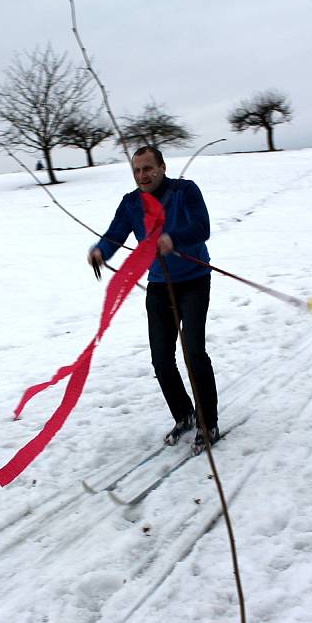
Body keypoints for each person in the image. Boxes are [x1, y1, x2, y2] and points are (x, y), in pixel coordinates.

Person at [88, 146, 218, 455]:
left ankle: (207, 422)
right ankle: (184, 414)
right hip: (160, 285)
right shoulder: (131, 203)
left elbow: (203, 227)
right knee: (161, 358)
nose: (143, 175)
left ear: (162, 166)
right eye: (137, 170)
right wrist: (99, 252)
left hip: (194, 280)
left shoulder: (184, 191)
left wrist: (173, 238)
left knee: (194, 352)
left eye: (148, 168)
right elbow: (115, 234)